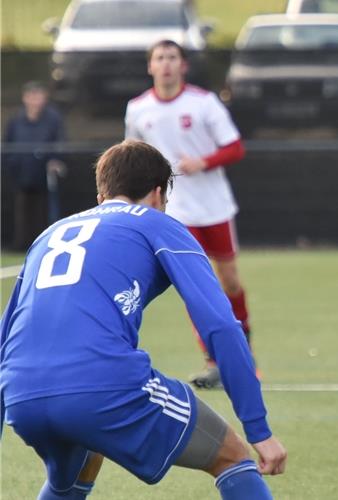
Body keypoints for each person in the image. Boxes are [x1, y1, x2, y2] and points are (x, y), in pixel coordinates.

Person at [0, 140, 286, 500]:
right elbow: (221, 325)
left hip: (23, 394)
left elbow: (5, 336)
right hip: (101, 383)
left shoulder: (49, 235)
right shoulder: (157, 224)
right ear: (157, 194)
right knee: (231, 456)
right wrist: (258, 428)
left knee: (76, 471)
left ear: (102, 194)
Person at [124, 40, 253, 389]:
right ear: (150, 66)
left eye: (172, 58)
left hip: (214, 207)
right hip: (175, 212)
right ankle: (213, 361)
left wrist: (204, 161)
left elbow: (235, 146)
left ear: (183, 65)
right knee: (194, 288)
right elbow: (132, 157)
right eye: (159, 58)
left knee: (229, 282)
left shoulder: (203, 103)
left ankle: (245, 354)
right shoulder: (137, 109)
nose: (165, 64)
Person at [3, 81, 67, 251]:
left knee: (43, 212)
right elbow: (8, 143)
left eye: (38, 95)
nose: (35, 100)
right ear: (25, 98)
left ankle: (44, 244)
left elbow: (60, 142)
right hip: (22, 173)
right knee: (23, 210)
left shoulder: (53, 119)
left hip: (44, 175)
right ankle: (21, 244)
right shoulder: (16, 120)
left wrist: (55, 160)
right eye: (31, 96)